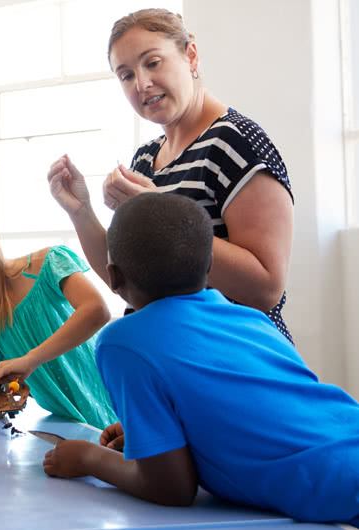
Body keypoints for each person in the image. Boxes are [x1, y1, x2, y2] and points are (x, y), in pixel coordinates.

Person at [43, 192, 359, 524]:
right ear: (209, 266)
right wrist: (157, 430)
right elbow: (261, 405)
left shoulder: (122, 342)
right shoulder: (252, 318)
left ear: (114, 276)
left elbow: (171, 489)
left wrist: (89, 458)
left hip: (339, 484)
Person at [47, 8, 294, 342]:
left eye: (153, 62)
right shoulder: (146, 159)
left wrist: (161, 211)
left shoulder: (234, 142)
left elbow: (265, 288)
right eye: (126, 75)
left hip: (234, 359)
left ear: (190, 55)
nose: (142, 84)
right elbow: (130, 283)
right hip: (171, 359)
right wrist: (80, 211)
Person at [0, 206, 117, 429]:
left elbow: (97, 310)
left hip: (111, 392)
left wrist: (30, 359)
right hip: (67, 423)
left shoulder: (47, 264)